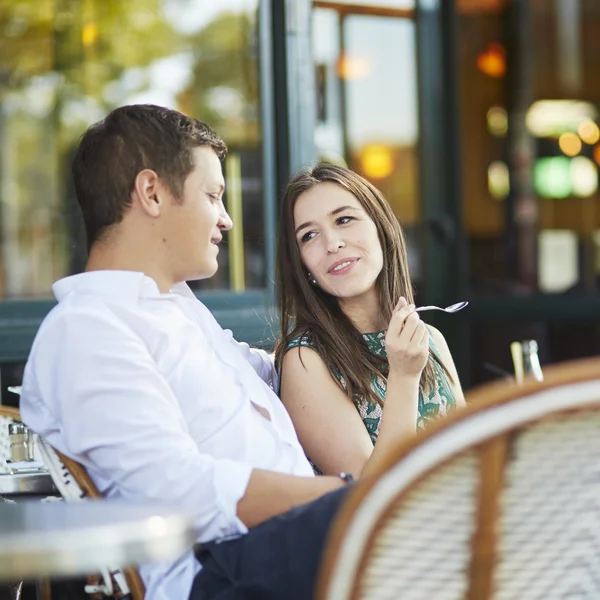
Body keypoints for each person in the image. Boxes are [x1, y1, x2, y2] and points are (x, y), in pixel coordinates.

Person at [18, 105, 358, 600]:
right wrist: (346, 496)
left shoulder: (177, 308)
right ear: (151, 193)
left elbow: (280, 371)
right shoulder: (87, 328)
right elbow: (178, 490)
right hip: (220, 570)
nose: (226, 220)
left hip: (289, 545)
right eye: (213, 196)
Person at [275, 164, 465, 477]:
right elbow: (368, 493)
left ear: (380, 226)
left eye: (344, 219)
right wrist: (403, 376)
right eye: (309, 235)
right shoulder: (306, 360)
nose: (332, 243)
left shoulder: (429, 338)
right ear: (302, 264)